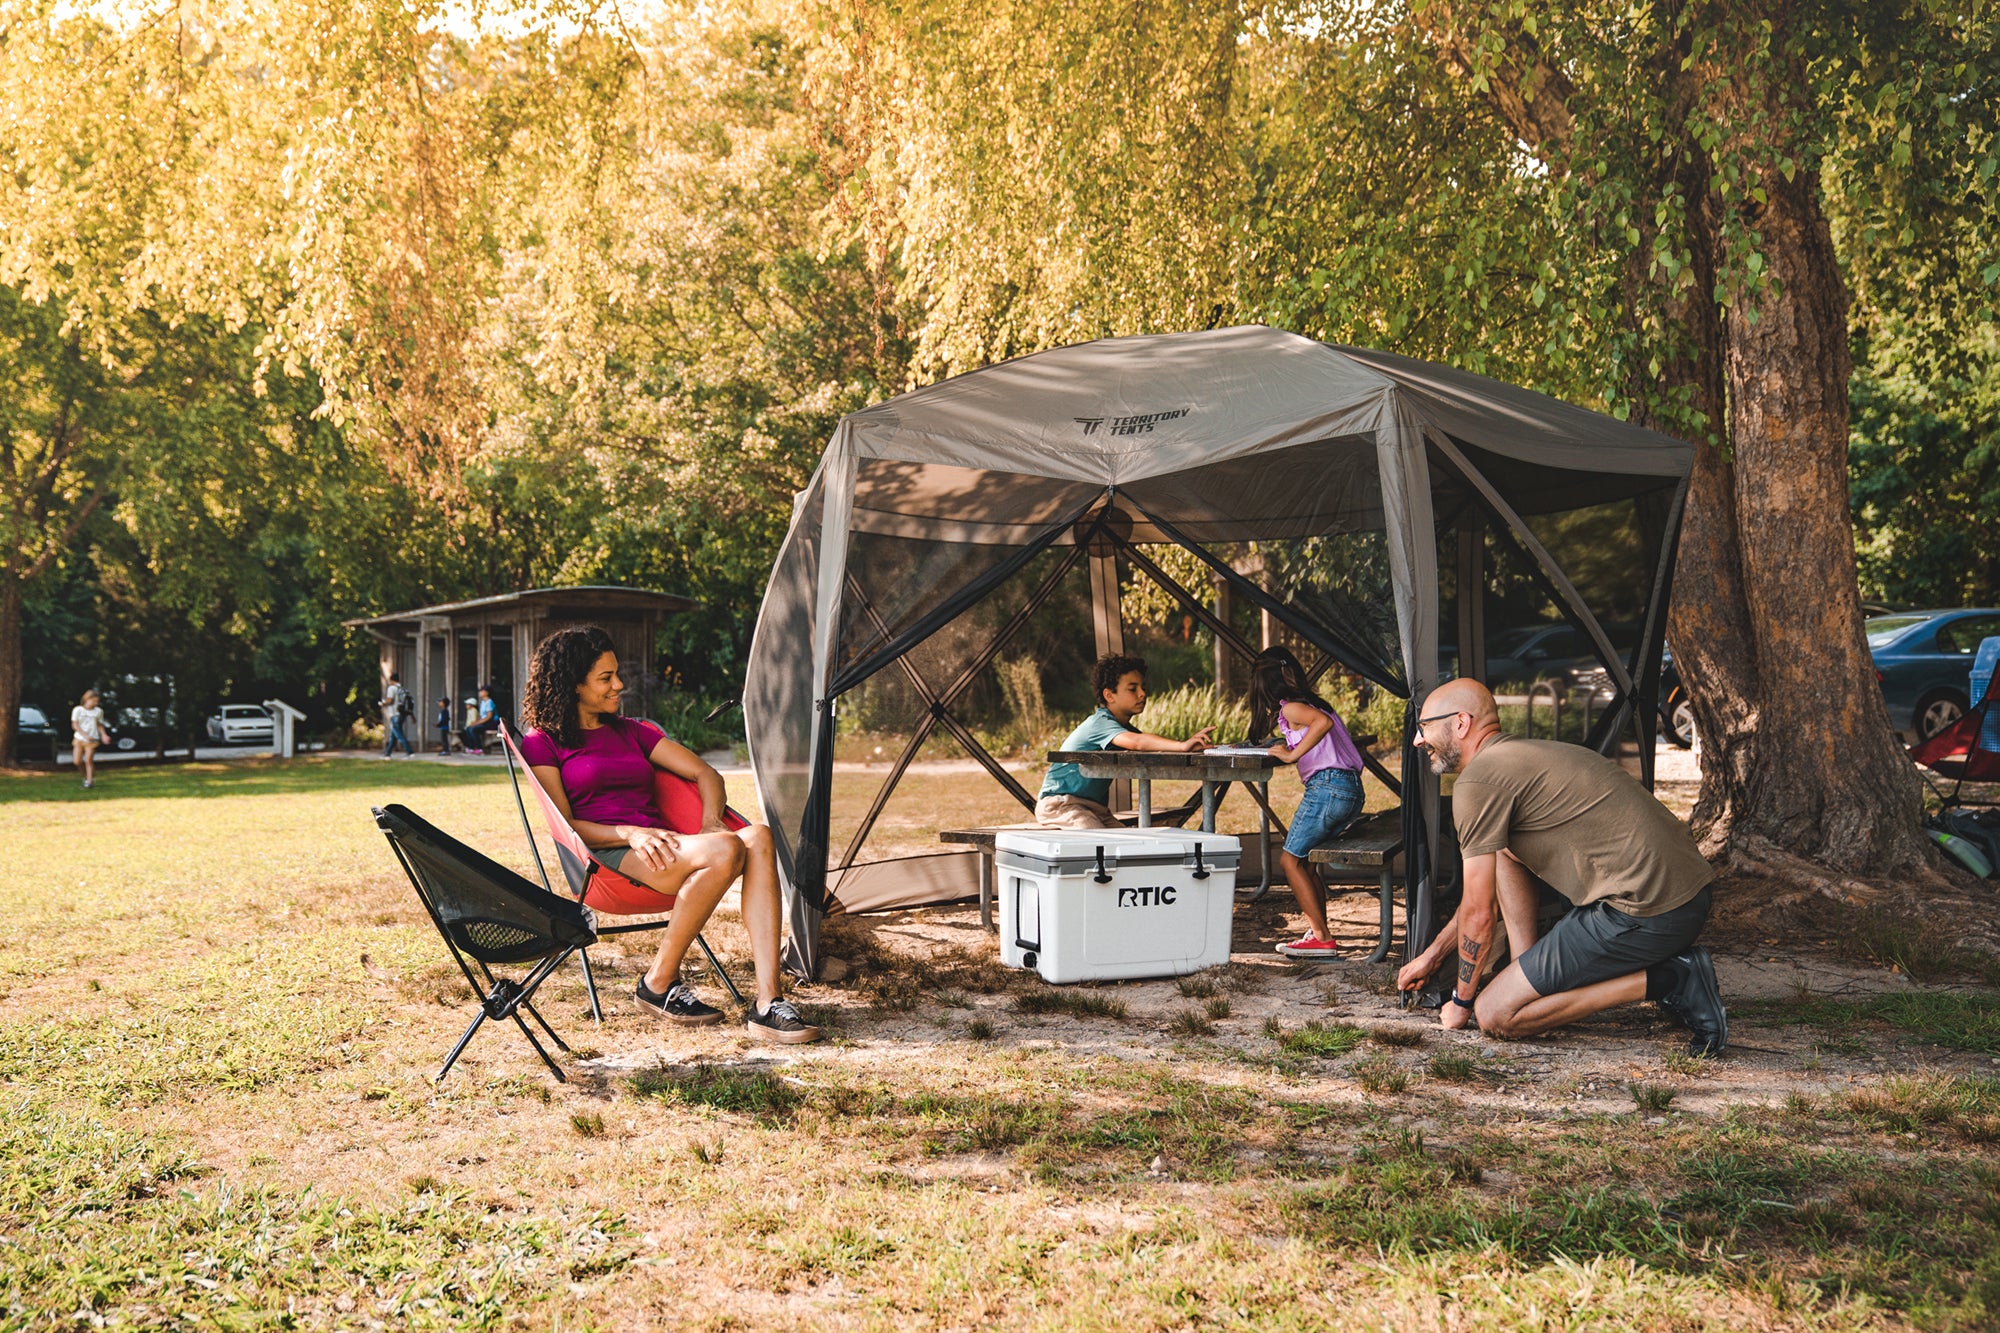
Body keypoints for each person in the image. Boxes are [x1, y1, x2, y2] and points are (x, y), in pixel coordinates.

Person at [518, 626, 819, 1044]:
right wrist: (630, 832)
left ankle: (768, 1003)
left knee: (759, 837)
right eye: (605, 678)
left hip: (669, 849)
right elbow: (566, 823)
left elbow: (705, 772)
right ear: (573, 685)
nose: (619, 684)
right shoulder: (544, 742)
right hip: (607, 859)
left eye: (616, 673)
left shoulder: (632, 732)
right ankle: (658, 982)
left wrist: (712, 822)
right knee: (730, 847)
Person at [1396, 677, 1726, 1055]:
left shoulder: (1478, 782)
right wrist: (1434, 955)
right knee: (1503, 850)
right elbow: (1483, 893)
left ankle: (1673, 978)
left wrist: (1461, 1002)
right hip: (1685, 897)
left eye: (1424, 727)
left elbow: (1479, 912)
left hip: (1646, 911)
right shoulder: (1521, 757)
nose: (1418, 741)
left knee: (1496, 1014)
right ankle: (1526, 965)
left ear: (1460, 723)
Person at [1248, 647, 1367, 959]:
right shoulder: (1312, 703)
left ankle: (1323, 939)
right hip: (1348, 789)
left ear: (1263, 686)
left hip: (1328, 788)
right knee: (1306, 861)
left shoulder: (1292, 709)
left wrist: (1291, 755)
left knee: (1290, 861)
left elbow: (1321, 725)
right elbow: (1322, 724)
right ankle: (1318, 932)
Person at [1035, 653, 1216, 829]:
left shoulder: (1124, 730)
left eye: (1143, 687)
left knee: (1131, 846)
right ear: (1109, 695)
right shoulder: (1100, 724)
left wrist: (1191, 747)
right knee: (1100, 845)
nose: (1142, 694)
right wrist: (1182, 746)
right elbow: (1138, 742)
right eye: (1132, 689)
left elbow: (1145, 742)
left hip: (1096, 809)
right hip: (1060, 805)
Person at [70, 689, 113, 789]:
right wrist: (85, 735)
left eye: (97, 701)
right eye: (94, 701)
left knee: (88, 760)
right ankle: (86, 777)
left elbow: (99, 724)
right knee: (77, 761)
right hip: (79, 738)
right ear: (87, 699)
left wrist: (104, 735)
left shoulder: (98, 711)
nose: (95, 703)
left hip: (92, 739)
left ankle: (89, 783)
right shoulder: (78, 710)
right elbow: (75, 725)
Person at [381, 672, 416, 758]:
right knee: (393, 735)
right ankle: (387, 754)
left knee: (399, 734)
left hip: (394, 714)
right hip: (402, 714)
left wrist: (383, 703)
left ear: (391, 680)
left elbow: (390, 700)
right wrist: (412, 716)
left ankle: (410, 752)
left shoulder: (391, 688)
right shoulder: (402, 689)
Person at [460, 684, 498, 754]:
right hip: (484, 722)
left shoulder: (489, 702)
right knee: (468, 728)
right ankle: (471, 747)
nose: (480, 693)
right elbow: (482, 716)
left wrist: (476, 723)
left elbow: (489, 717)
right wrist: (475, 723)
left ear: (487, 693)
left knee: (473, 729)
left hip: (491, 723)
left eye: (482, 691)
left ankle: (479, 748)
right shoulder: (483, 702)